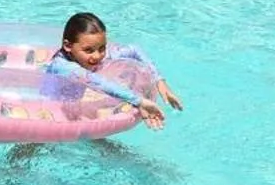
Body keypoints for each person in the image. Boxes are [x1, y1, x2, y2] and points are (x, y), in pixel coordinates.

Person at [44, 12, 183, 128]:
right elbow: (96, 82)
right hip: (49, 115)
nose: (97, 56)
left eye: (102, 48)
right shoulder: (62, 66)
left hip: (75, 109)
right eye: (88, 50)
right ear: (68, 46)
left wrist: (159, 81)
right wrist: (139, 101)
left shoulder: (94, 57)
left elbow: (134, 50)